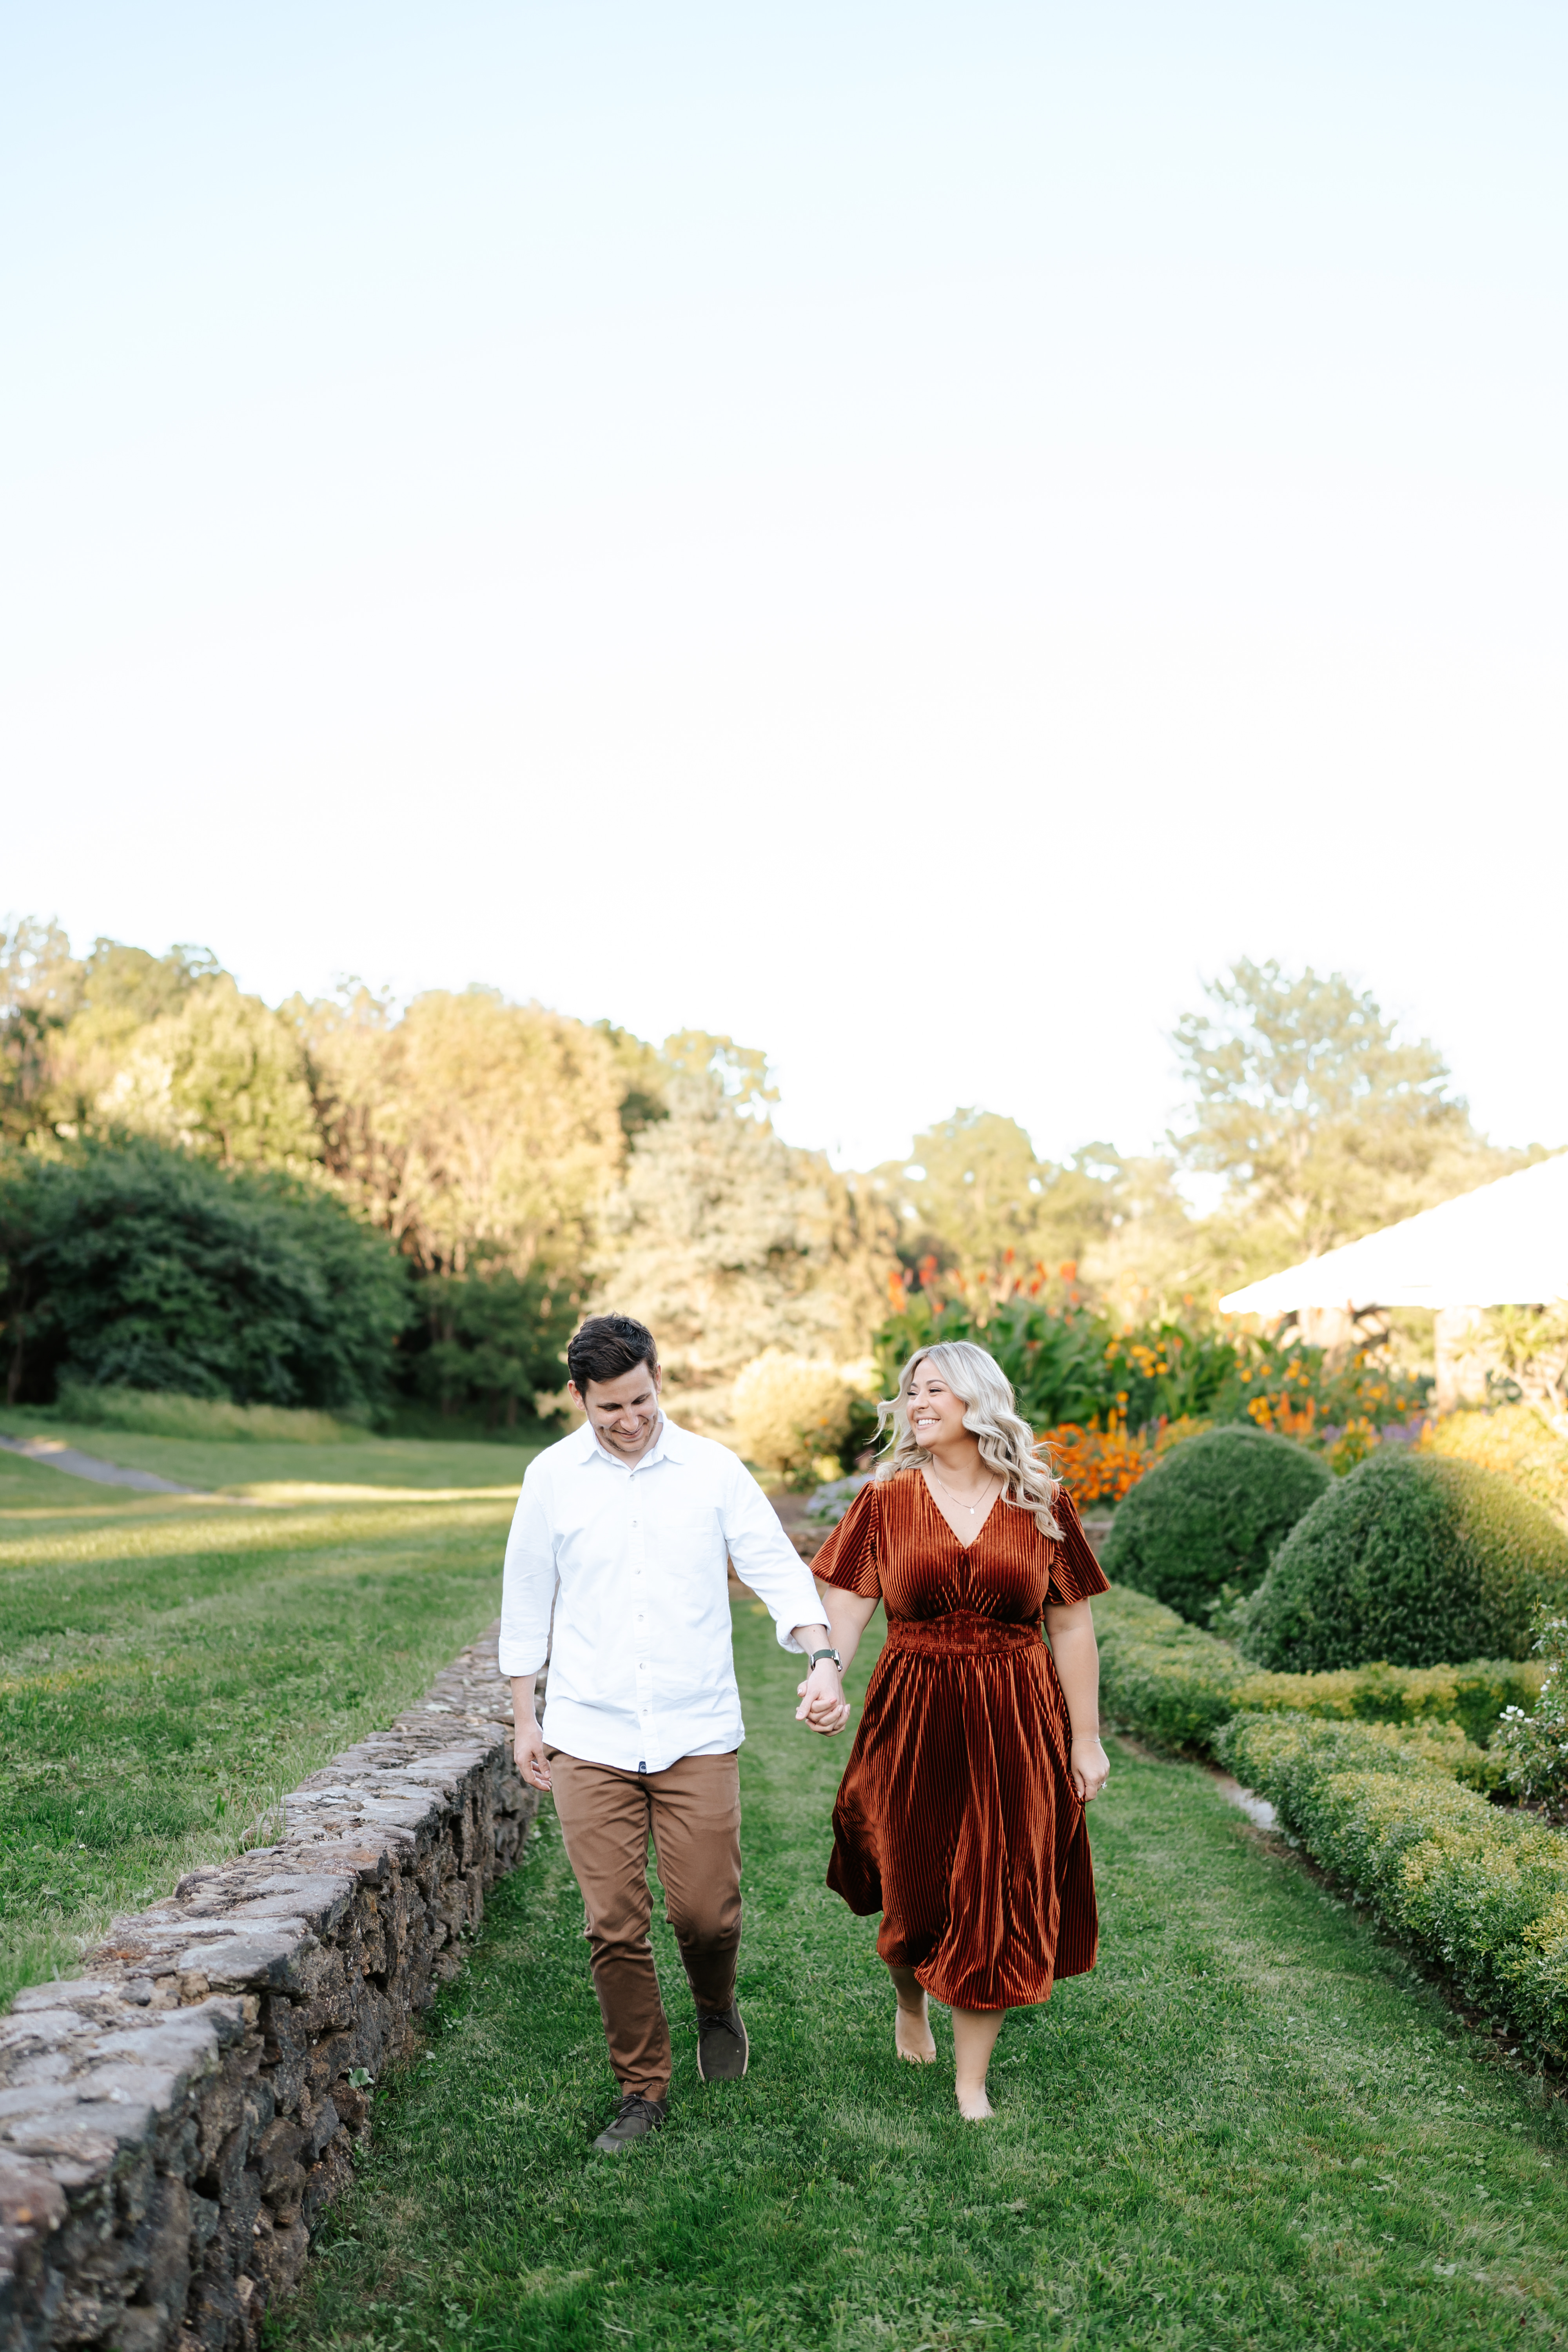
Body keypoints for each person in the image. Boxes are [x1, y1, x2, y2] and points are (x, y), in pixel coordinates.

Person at [501, 1312, 846, 2154]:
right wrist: (524, 1718)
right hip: (589, 1733)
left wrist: (823, 1659)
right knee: (613, 1923)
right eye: (609, 1407)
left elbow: (775, 1570)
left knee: (705, 1915)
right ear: (578, 1396)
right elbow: (525, 1597)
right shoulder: (550, 1479)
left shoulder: (711, 1471)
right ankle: (640, 2091)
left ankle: (714, 2006)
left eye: (641, 1400)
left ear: (660, 1381)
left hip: (695, 1731)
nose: (628, 1421)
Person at [799, 1339, 1110, 2119]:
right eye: (909, 1392)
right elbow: (845, 1606)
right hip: (914, 1709)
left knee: (997, 1892)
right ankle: (910, 1999)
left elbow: (1070, 1628)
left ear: (977, 1398)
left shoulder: (1040, 1499)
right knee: (910, 1886)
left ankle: (970, 2083)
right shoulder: (886, 1499)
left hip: (1015, 1713)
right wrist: (824, 1672)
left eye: (932, 1388)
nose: (916, 1403)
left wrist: (1084, 1739)